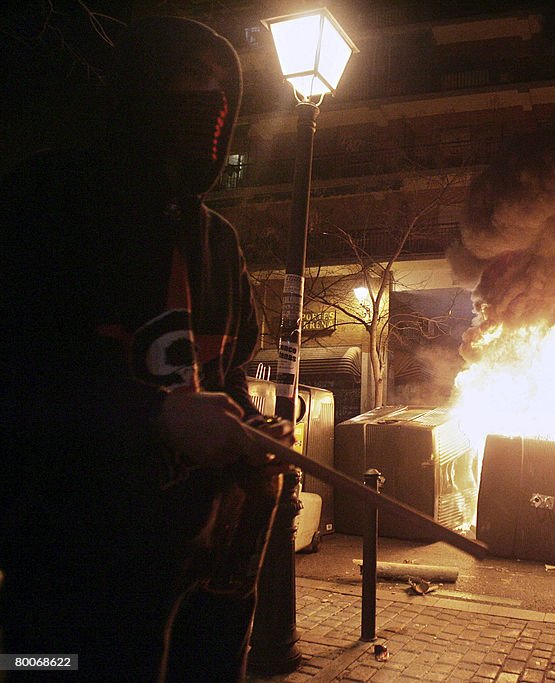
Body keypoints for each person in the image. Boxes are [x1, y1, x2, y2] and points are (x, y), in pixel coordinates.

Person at [0, 17, 292, 681]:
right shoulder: (45, 200)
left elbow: (229, 368)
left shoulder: (219, 241)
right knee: (37, 666)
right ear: (141, 89)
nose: (212, 98)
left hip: (201, 572)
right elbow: (20, 378)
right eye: (193, 77)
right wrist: (154, 413)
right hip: (64, 578)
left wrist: (252, 424)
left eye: (223, 86)